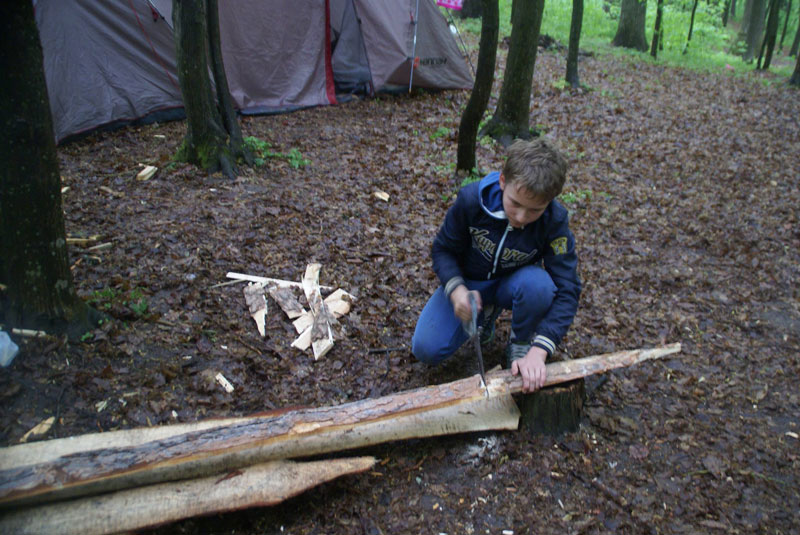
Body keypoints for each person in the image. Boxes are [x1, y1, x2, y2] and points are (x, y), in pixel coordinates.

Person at [412, 138, 581, 393]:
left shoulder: (554, 222)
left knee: (540, 286)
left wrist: (540, 349)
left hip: (513, 285)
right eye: (515, 203)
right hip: (470, 284)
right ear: (503, 181)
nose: (521, 217)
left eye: (534, 210)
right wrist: (456, 290)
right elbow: (443, 249)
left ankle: (520, 342)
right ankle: (485, 314)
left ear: (550, 201)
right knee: (426, 348)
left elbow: (567, 288)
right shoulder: (472, 201)